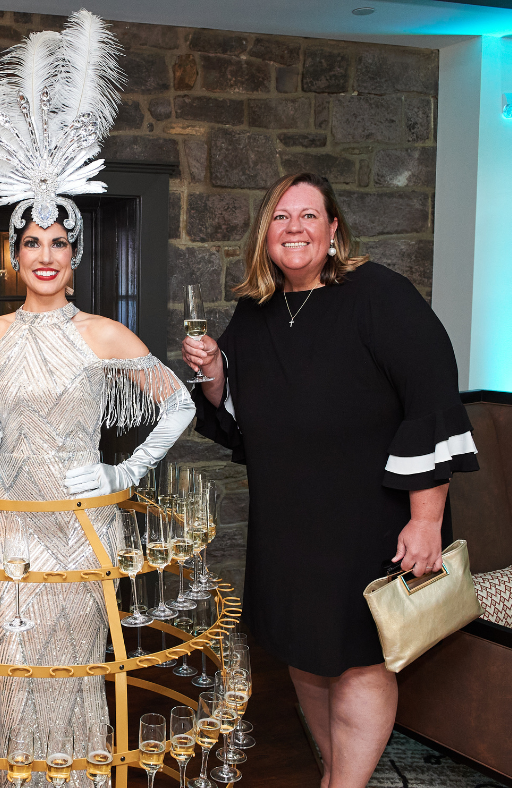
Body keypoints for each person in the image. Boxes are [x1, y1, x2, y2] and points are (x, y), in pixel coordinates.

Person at [0, 12, 195, 785]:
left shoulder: (108, 335)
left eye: (59, 241)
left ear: (75, 254)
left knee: (76, 667)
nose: (45, 255)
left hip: (83, 525)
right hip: (10, 522)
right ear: (14, 256)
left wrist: (122, 475)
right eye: (31, 242)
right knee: (15, 670)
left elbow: (177, 406)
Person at [182, 172, 478, 788]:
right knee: (305, 656)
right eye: (282, 217)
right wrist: (213, 371)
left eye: (309, 216)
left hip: (370, 519)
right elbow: (237, 410)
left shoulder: (380, 296)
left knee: (362, 657)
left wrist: (426, 520)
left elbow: (430, 401)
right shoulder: (257, 310)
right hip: (289, 520)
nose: (295, 228)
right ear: (265, 234)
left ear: (334, 229)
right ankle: (336, 775)